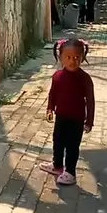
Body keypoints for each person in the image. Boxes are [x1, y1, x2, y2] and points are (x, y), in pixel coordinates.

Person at [41, 38, 95, 186]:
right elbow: (52, 94)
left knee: (72, 146)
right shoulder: (57, 76)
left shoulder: (85, 79)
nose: (72, 61)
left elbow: (90, 101)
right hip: (61, 117)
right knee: (57, 142)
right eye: (68, 57)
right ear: (61, 57)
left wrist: (89, 121)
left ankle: (70, 172)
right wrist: (50, 109)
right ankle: (57, 165)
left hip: (77, 119)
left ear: (82, 57)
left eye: (77, 57)